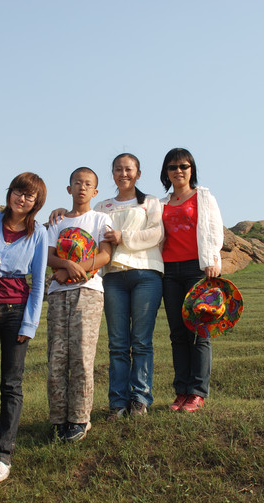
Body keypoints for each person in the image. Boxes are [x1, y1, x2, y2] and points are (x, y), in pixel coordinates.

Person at [0, 172, 48, 484]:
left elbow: (38, 282)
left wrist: (30, 323)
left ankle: (3, 453)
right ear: (10, 193)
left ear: (36, 203)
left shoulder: (39, 233)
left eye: (29, 196)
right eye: (19, 192)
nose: (22, 199)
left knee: (11, 384)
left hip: (17, 311)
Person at [94, 154, 163, 419]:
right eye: (118, 169)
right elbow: (88, 228)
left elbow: (156, 234)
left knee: (142, 341)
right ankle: (118, 402)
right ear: (112, 173)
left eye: (129, 169)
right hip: (113, 276)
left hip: (146, 273)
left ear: (138, 173)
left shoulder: (151, 202)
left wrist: (124, 237)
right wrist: (61, 212)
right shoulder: (102, 206)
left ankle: (140, 399)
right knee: (118, 343)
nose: (124, 173)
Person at [46, 167, 112, 442]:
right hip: (58, 294)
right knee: (57, 358)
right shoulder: (57, 221)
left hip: (88, 292)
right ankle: (59, 419)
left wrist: (73, 271)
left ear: (95, 192)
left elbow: (105, 255)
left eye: (88, 184)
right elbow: (48, 255)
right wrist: (64, 266)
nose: (82, 188)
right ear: (69, 188)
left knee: (82, 358)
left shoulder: (100, 219)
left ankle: (80, 419)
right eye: (77, 183)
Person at [159, 148, 224, 413]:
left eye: (183, 166)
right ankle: (181, 391)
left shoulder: (204, 197)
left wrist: (213, 260)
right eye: (173, 167)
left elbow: (213, 229)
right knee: (177, 334)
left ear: (191, 169)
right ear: (166, 172)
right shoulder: (160, 203)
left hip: (196, 270)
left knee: (198, 331)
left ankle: (197, 392)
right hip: (168, 271)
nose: (178, 171)